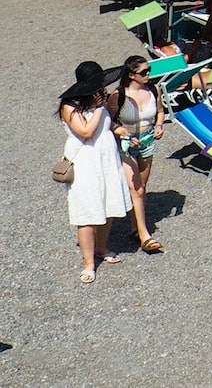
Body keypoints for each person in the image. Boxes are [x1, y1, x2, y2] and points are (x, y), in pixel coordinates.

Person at [59, 61, 132, 284]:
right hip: (86, 162)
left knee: (108, 204)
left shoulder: (100, 99)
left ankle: (102, 247)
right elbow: (86, 131)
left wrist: (121, 131)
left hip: (106, 158)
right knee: (87, 213)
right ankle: (88, 263)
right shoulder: (70, 106)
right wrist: (100, 108)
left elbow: (107, 126)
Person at [110, 56, 164, 254]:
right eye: (143, 72)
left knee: (142, 187)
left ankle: (135, 227)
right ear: (131, 75)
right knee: (138, 189)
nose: (148, 74)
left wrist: (159, 125)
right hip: (126, 144)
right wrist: (122, 132)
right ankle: (145, 236)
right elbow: (109, 121)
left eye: (149, 70)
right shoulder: (119, 96)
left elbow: (160, 111)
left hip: (147, 141)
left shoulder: (153, 90)